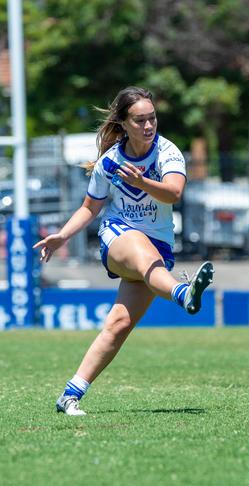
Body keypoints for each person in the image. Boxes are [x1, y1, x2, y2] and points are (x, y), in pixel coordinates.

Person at [34, 86, 214, 416]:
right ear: (124, 123)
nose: (149, 126)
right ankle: (183, 293)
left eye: (152, 118)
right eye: (140, 120)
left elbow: (174, 192)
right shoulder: (110, 162)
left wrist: (142, 182)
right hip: (118, 238)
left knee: (118, 324)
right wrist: (61, 235)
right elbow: (90, 208)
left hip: (158, 247)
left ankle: (69, 396)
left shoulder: (168, 152)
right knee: (142, 254)